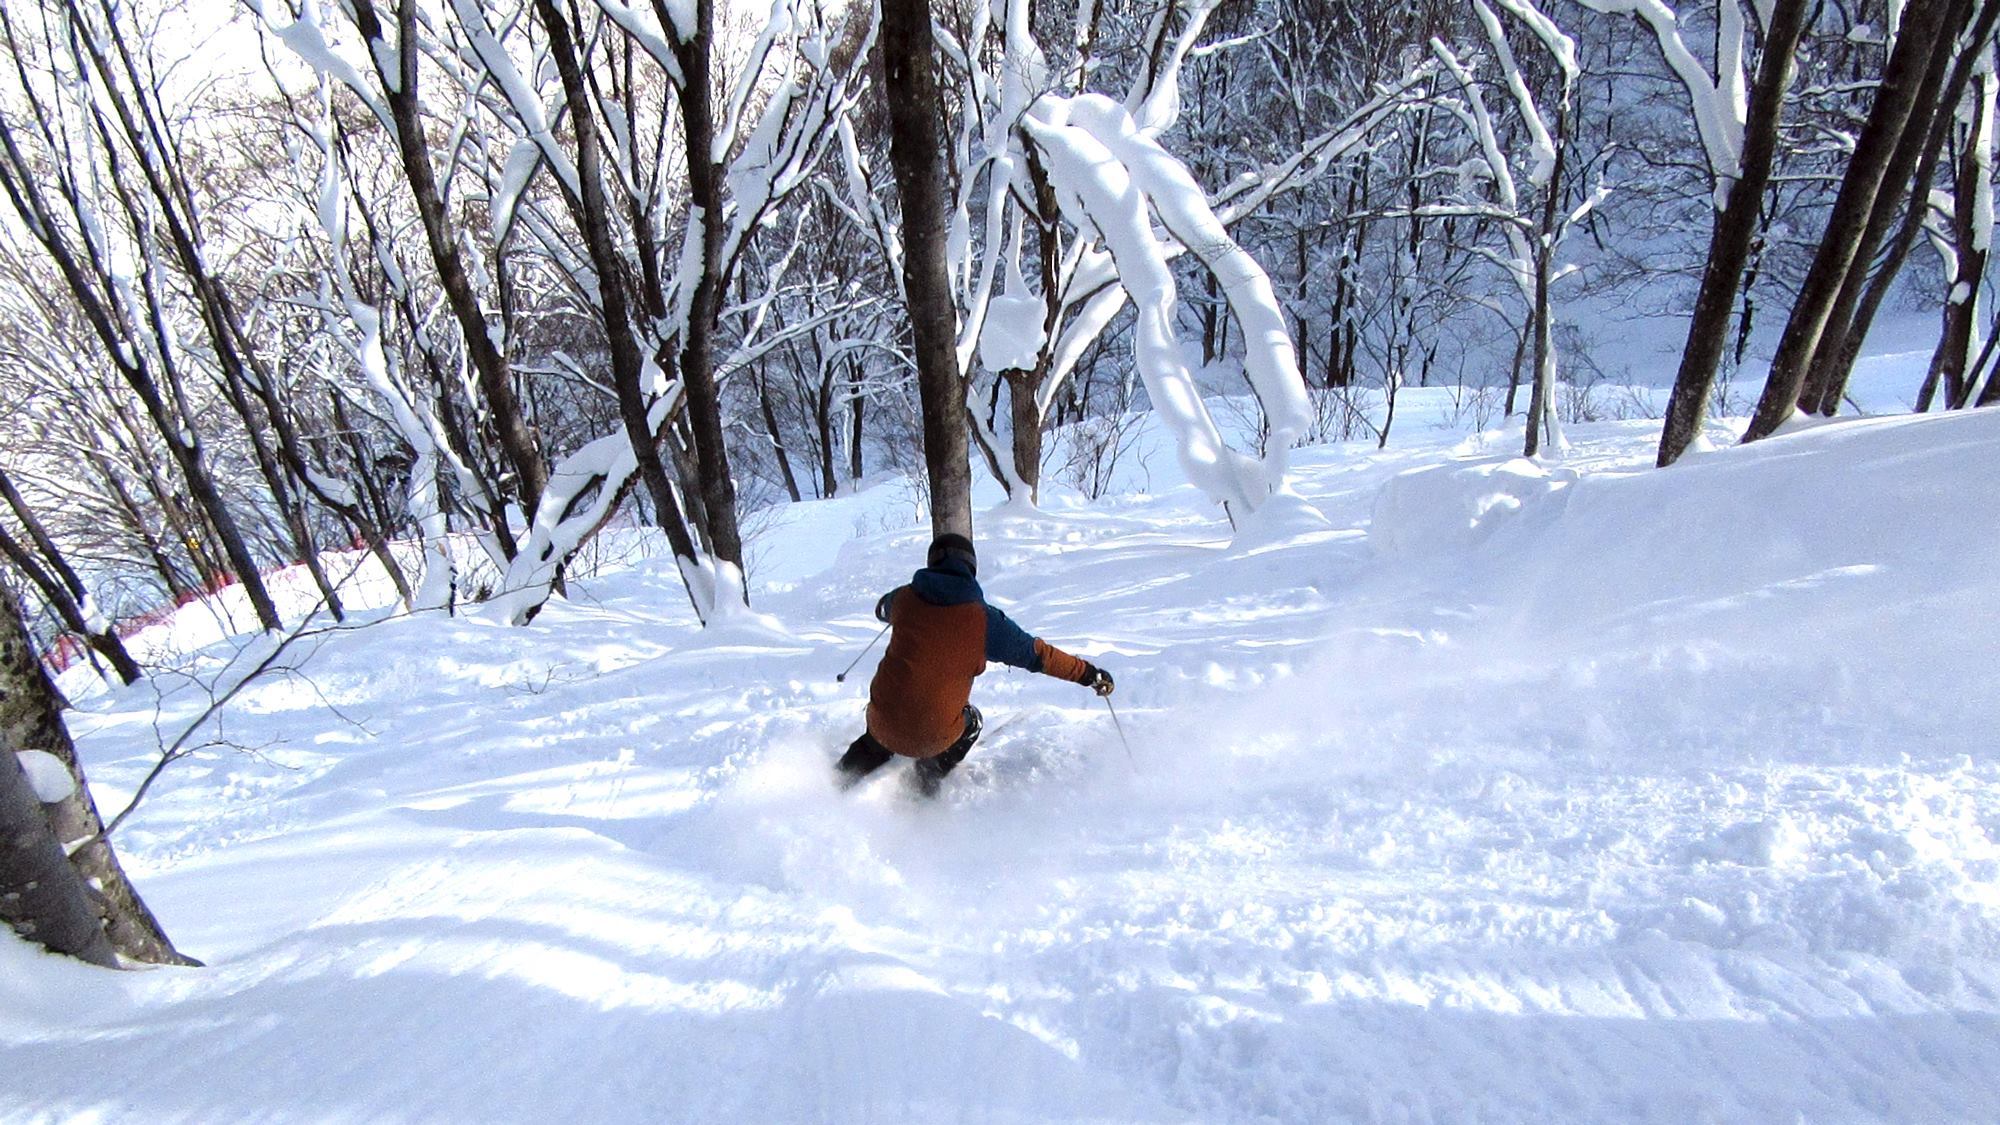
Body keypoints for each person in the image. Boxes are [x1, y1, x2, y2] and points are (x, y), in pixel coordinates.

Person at [836, 532, 1114, 796]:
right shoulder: (985, 622)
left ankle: (838, 782)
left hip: (881, 718)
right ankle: (925, 780)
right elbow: (1041, 657)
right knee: (972, 722)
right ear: (972, 567)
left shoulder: (905, 598)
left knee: (885, 728)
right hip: (932, 735)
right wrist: (1089, 674)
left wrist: (897, 611)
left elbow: (882, 608)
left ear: (932, 562)